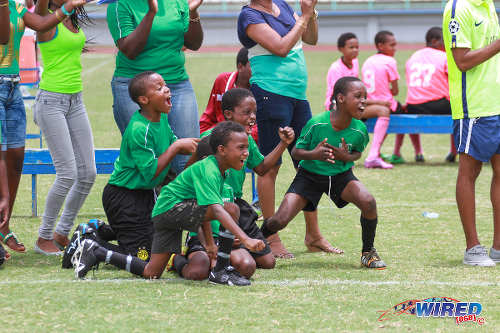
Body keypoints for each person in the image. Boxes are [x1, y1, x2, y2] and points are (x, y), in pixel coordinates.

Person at [73, 121, 266, 286]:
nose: (246, 153)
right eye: (241, 148)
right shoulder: (210, 169)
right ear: (221, 150)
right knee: (230, 208)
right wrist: (245, 239)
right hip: (172, 210)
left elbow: (203, 209)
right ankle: (221, 271)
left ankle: (96, 251)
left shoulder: (220, 170)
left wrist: (209, 244)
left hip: (165, 213)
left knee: (152, 272)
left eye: (247, 147)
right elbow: (215, 209)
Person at [238, 0, 336, 259]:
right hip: (271, 94)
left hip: (297, 96)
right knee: (271, 165)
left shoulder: (282, 5)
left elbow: (311, 39)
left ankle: (313, 235)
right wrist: (303, 17)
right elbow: (281, 48)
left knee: (308, 164)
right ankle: (271, 235)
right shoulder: (249, 15)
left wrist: (310, 14)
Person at [260, 77, 386, 269]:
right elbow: (296, 152)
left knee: (368, 202)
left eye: (365, 97)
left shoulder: (360, 129)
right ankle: (253, 243)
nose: (364, 102)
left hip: (340, 177)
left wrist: (347, 157)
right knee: (279, 220)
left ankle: (368, 253)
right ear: (341, 98)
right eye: (358, 96)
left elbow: (357, 153)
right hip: (309, 176)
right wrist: (314, 154)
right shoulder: (317, 123)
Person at [0, 0, 90, 253]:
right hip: (39, 96)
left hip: (16, 88)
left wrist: (70, 6)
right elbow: (4, 35)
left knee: (17, 159)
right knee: (4, 160)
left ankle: (8, 226)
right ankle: (35, 232)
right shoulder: (22, 7)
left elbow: (40, 22)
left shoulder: (19, 8)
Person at [176, 88, 293, 280]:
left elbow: (262, 169)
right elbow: (189, 173)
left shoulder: (245, 139)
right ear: (228, 114)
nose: (252, 117)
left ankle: (227, 253)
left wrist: (283, 144)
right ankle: (193, 254)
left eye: (254, 112)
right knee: (204, 270)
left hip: (235, 204)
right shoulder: (211, 139)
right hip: (210, 205)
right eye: (246, 112)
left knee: (268, 262)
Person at [99, 71, 198, 262]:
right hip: (123, 196)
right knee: (143, 258)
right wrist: (176, 147)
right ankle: (90, 244)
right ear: (144, 99)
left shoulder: (160, 118)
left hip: (144, 196)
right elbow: (151, 175)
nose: (167, 89)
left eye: (165, 84)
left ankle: (103, 230)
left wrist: (205, 145)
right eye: (159, 88)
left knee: (161, 248)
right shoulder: (139, 129)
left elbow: (177, 144)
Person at [106, 0, 203, 174]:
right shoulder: (121, 5)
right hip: (135, 88)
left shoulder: (178, 2)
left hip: (177, 84)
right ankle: (149, 201)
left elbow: (194, 44)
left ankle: (183, 201)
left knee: (187, 160)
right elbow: (130, 50)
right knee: (146, 162)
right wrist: (152, 12)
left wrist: (191, 12)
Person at [31, 0, 96, 255]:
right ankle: (44, 237)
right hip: (51, 102)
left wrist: (71, 7)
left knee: (88, 173)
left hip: (75, 100)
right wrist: (68, 6)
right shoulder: (45, 19)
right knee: (67, 173)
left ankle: (61, 232)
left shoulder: (71, 18)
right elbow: (43, 13)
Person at [443, 0, 500, 266]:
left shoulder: (488, 5)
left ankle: (498, 248)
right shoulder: (458, 7)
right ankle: (473, 249)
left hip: (497, 103)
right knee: (470, 172)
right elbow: (462, 61)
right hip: (474, 107)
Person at [325, 32, 393, 170]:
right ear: (341, 49)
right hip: (338, 108)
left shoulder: (355, 63)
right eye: (351, 47)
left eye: (357, 47)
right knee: (383, 109)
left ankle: (373, 155)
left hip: (353, 106)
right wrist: (378, 102)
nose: (355, 50)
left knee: (385, 110)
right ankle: (369, 156)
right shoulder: (336, 69)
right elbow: (342, 99)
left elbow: (356, 95)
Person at [404, 27, 456, 162]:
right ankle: (454, 151)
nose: (447, 45)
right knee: (458, 109)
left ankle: (418, 152)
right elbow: (454, 81)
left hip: (413, 105)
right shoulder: (444, 57)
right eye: (445, 41)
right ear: (434, 41)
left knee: (408, 115)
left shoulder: (413, 56)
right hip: (438, 104)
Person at [199, 48, 258, 143]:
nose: (258, 70)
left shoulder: (262, 88)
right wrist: (204, 136)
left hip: (247, 139)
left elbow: (258, 127)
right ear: (240, 66)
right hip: (219, 138)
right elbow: (209, 117)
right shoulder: (222, 81)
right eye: (254, 65)